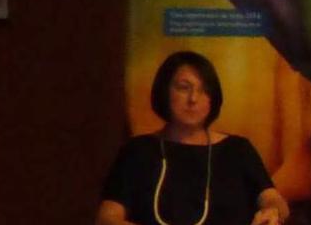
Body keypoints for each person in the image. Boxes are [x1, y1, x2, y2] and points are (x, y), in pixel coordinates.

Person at [96, 51, 289, 225]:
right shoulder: (137, 151)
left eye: (204, 90)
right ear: (164, 91)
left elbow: (273, 200)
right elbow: (106, 217)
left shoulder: (238, 150)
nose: (193, 99)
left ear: (213, 99)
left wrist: (272, 211)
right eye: (183, 87)